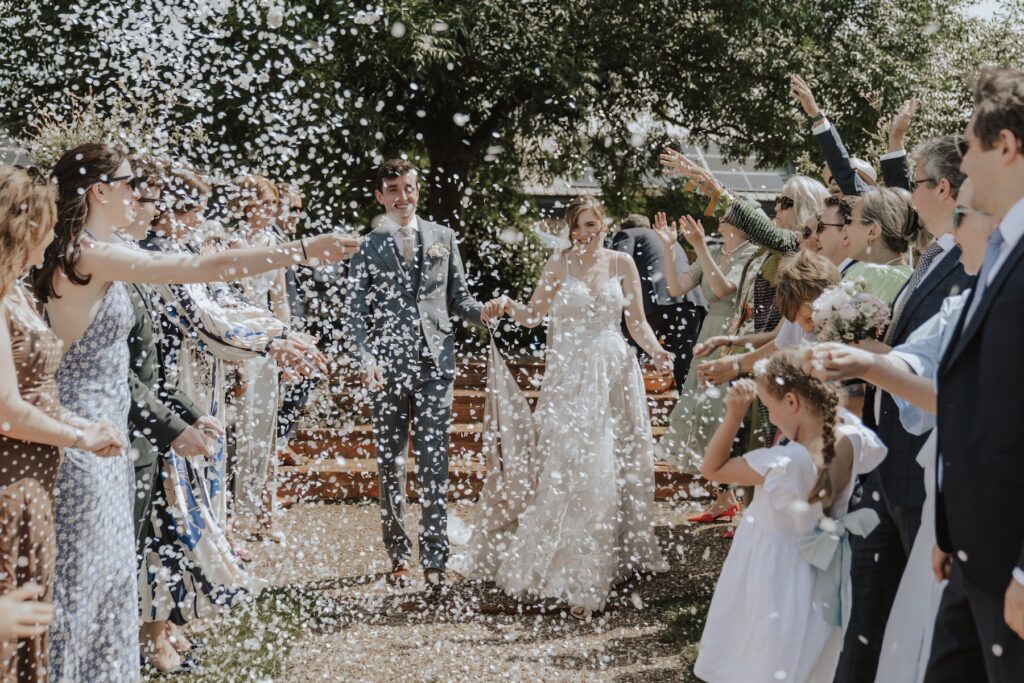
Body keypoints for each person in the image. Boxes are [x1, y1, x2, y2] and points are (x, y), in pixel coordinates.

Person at [30, 142, 358, 680]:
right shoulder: (87, 255)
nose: (140, 194)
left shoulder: (93, 250)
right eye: (132, 183)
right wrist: (299, 250)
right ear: (100, 192)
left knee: (111, 585)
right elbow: (203, 266)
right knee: (85, 589)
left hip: (104, 439)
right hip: (85, 441)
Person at [803, 176, 994, 683]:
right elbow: (920, 353)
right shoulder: (947, 271)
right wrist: (860, 359)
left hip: (940, 478)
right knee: (880, 607)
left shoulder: (980, 278)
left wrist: (862, 361)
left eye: (966, 216)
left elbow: (951, 387)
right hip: (900, 467)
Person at [452, 195, 672, 619]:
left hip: (612, 370)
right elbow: (533, 316)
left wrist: (658, 352)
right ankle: (561, 565)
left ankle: (602, 563)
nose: (585, 234)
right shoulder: (559, 265)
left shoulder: (621, 264)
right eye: (577, 227)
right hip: (569, 378)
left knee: (611, 462)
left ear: (604, 224)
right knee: (568, 463)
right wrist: (505, 305)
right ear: (568, 229)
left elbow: (636, 322)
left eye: (592, 225)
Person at [838, 134, 973, 683]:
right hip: (889, 448)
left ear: (943, 187)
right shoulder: (939, 251)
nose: (908, 197)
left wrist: (872, 358)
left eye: (914, 185)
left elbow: (946, 360)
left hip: (922, 455)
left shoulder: (972, 256)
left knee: (919, 610)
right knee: (874, 601)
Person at [343, 158, 506, 591]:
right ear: (380, 195)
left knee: (435, 462)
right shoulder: (367, 245)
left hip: (437, 365)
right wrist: (366, 357)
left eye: (409, 188)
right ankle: (398, 555)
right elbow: (355, 314)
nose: (402, 196)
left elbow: (460, 299)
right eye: (393, 189)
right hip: (388, 368)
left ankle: (435, 556)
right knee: (390, 464)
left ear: (418, 190)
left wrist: (483, 312)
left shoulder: (442, 237)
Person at [122, 159, 253, 673]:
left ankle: (165, 627)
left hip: (175, 394)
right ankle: (153, 633)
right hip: (152, 409)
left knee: (167, 523)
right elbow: (212, 322)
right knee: (159, 525)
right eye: (191, 210)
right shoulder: (154, 261)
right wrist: (276, 340)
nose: (198, 219)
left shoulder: (168, 254)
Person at [693, 350, 886, 682]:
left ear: (792, 402)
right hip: (819, 577)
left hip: (771, 576)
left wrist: (734, 415)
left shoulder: (782, 463)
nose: (771, 416)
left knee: (762, 652)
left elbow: (713, 468)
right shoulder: (852, 438)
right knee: (808, 654)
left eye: (769, 408)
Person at [0, 165, 123, 681]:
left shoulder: (18, 293)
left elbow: (37, 397)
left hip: (35, 487)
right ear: (21, 226)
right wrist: (80, 436)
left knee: (31, 624)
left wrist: (83, 425)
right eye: (46, 224)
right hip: (7, 483)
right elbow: (7, 411)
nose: (53, 235)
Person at [922, 68, 1024, 682]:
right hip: (970, 556)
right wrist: (951, 528)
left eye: (967, 147)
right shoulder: (1003, 247)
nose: (961, 167)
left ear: (1007, 146)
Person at [652, 212, 758, 524]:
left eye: (727, 215)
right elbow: (675, 287)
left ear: (740, 223)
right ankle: (724, 498)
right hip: (708, 334)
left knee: (724, 414)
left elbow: (724, 289)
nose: (719, 218)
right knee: (701, 414)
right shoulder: (713, 251)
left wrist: (698, 246)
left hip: (734, 334)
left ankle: (742, 503)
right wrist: (671, 249)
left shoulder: (751, 254)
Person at [611, 213, 706, 389]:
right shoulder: (671, 240)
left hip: (653, 302)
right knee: (684, 367)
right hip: (690, 302)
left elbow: (618, 267)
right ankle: (686, 411)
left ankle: (630, 398)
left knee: (631, 353)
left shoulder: (627, 234)